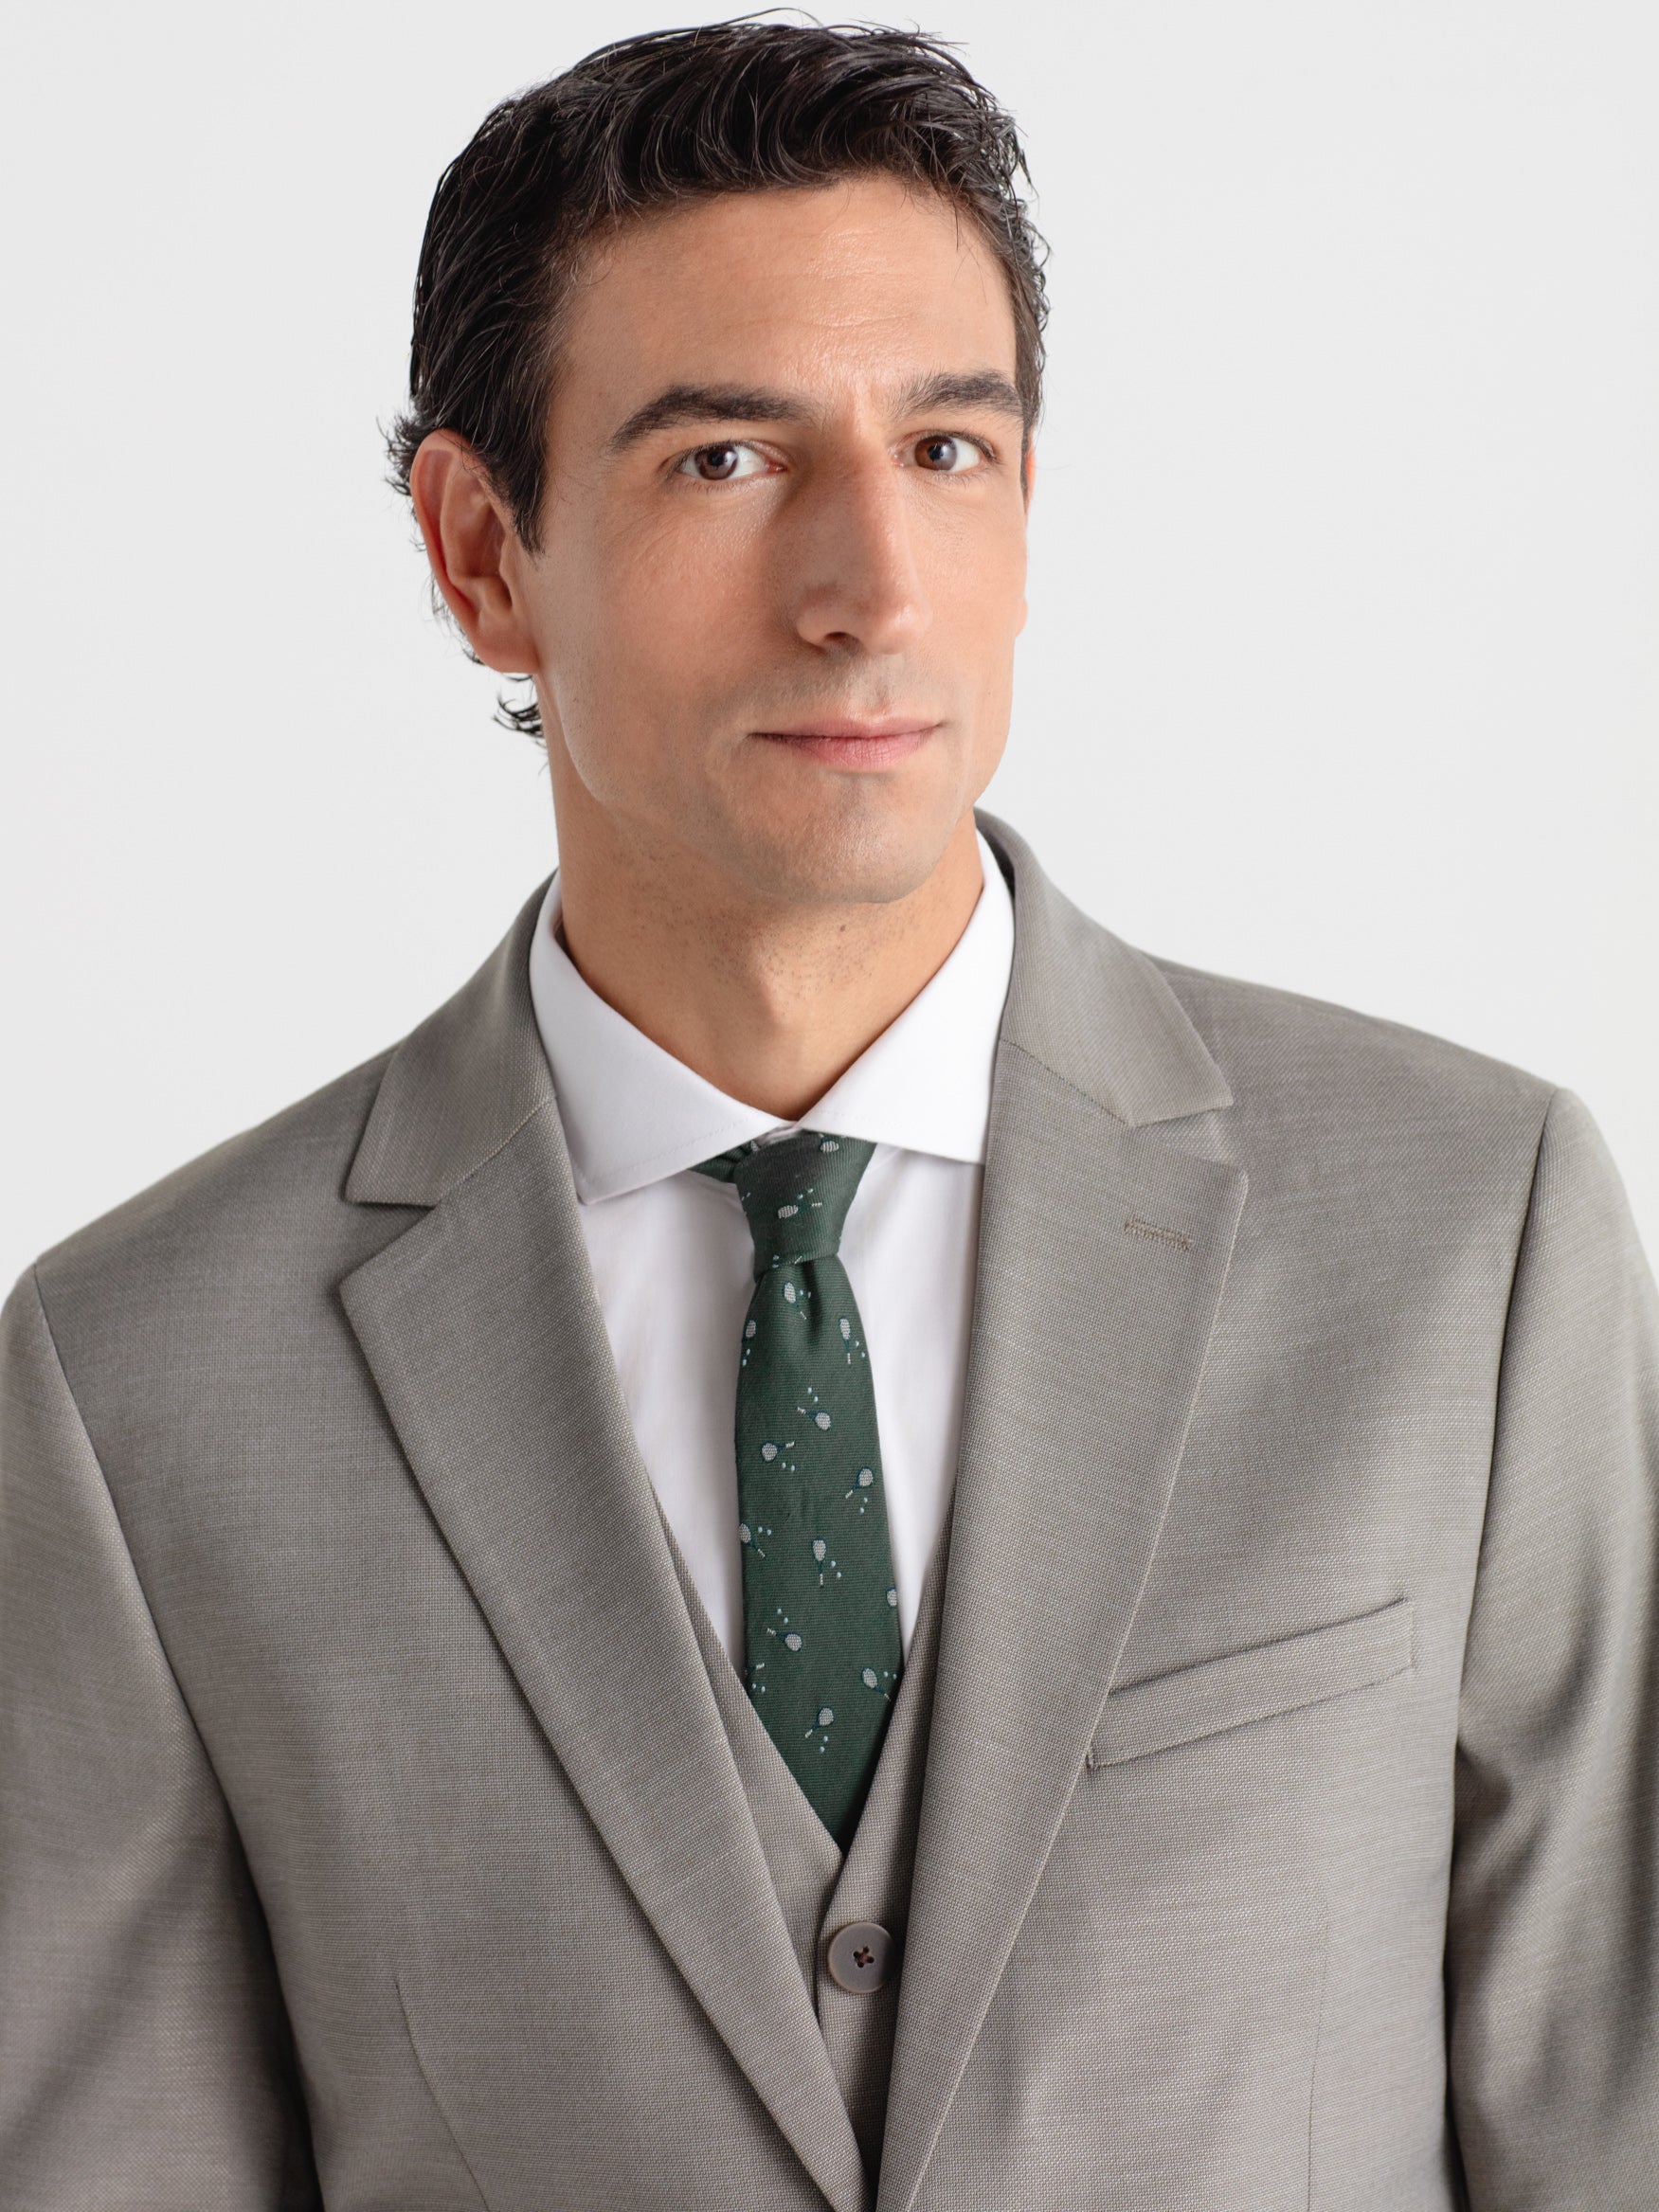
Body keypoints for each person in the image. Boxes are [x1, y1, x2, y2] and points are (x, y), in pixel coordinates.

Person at [2, 17, 1654, 2209]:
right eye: (726, 459)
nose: (872, 587)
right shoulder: (140, 1384)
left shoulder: (1471, 1237)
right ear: (483, 554)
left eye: (949, 449)